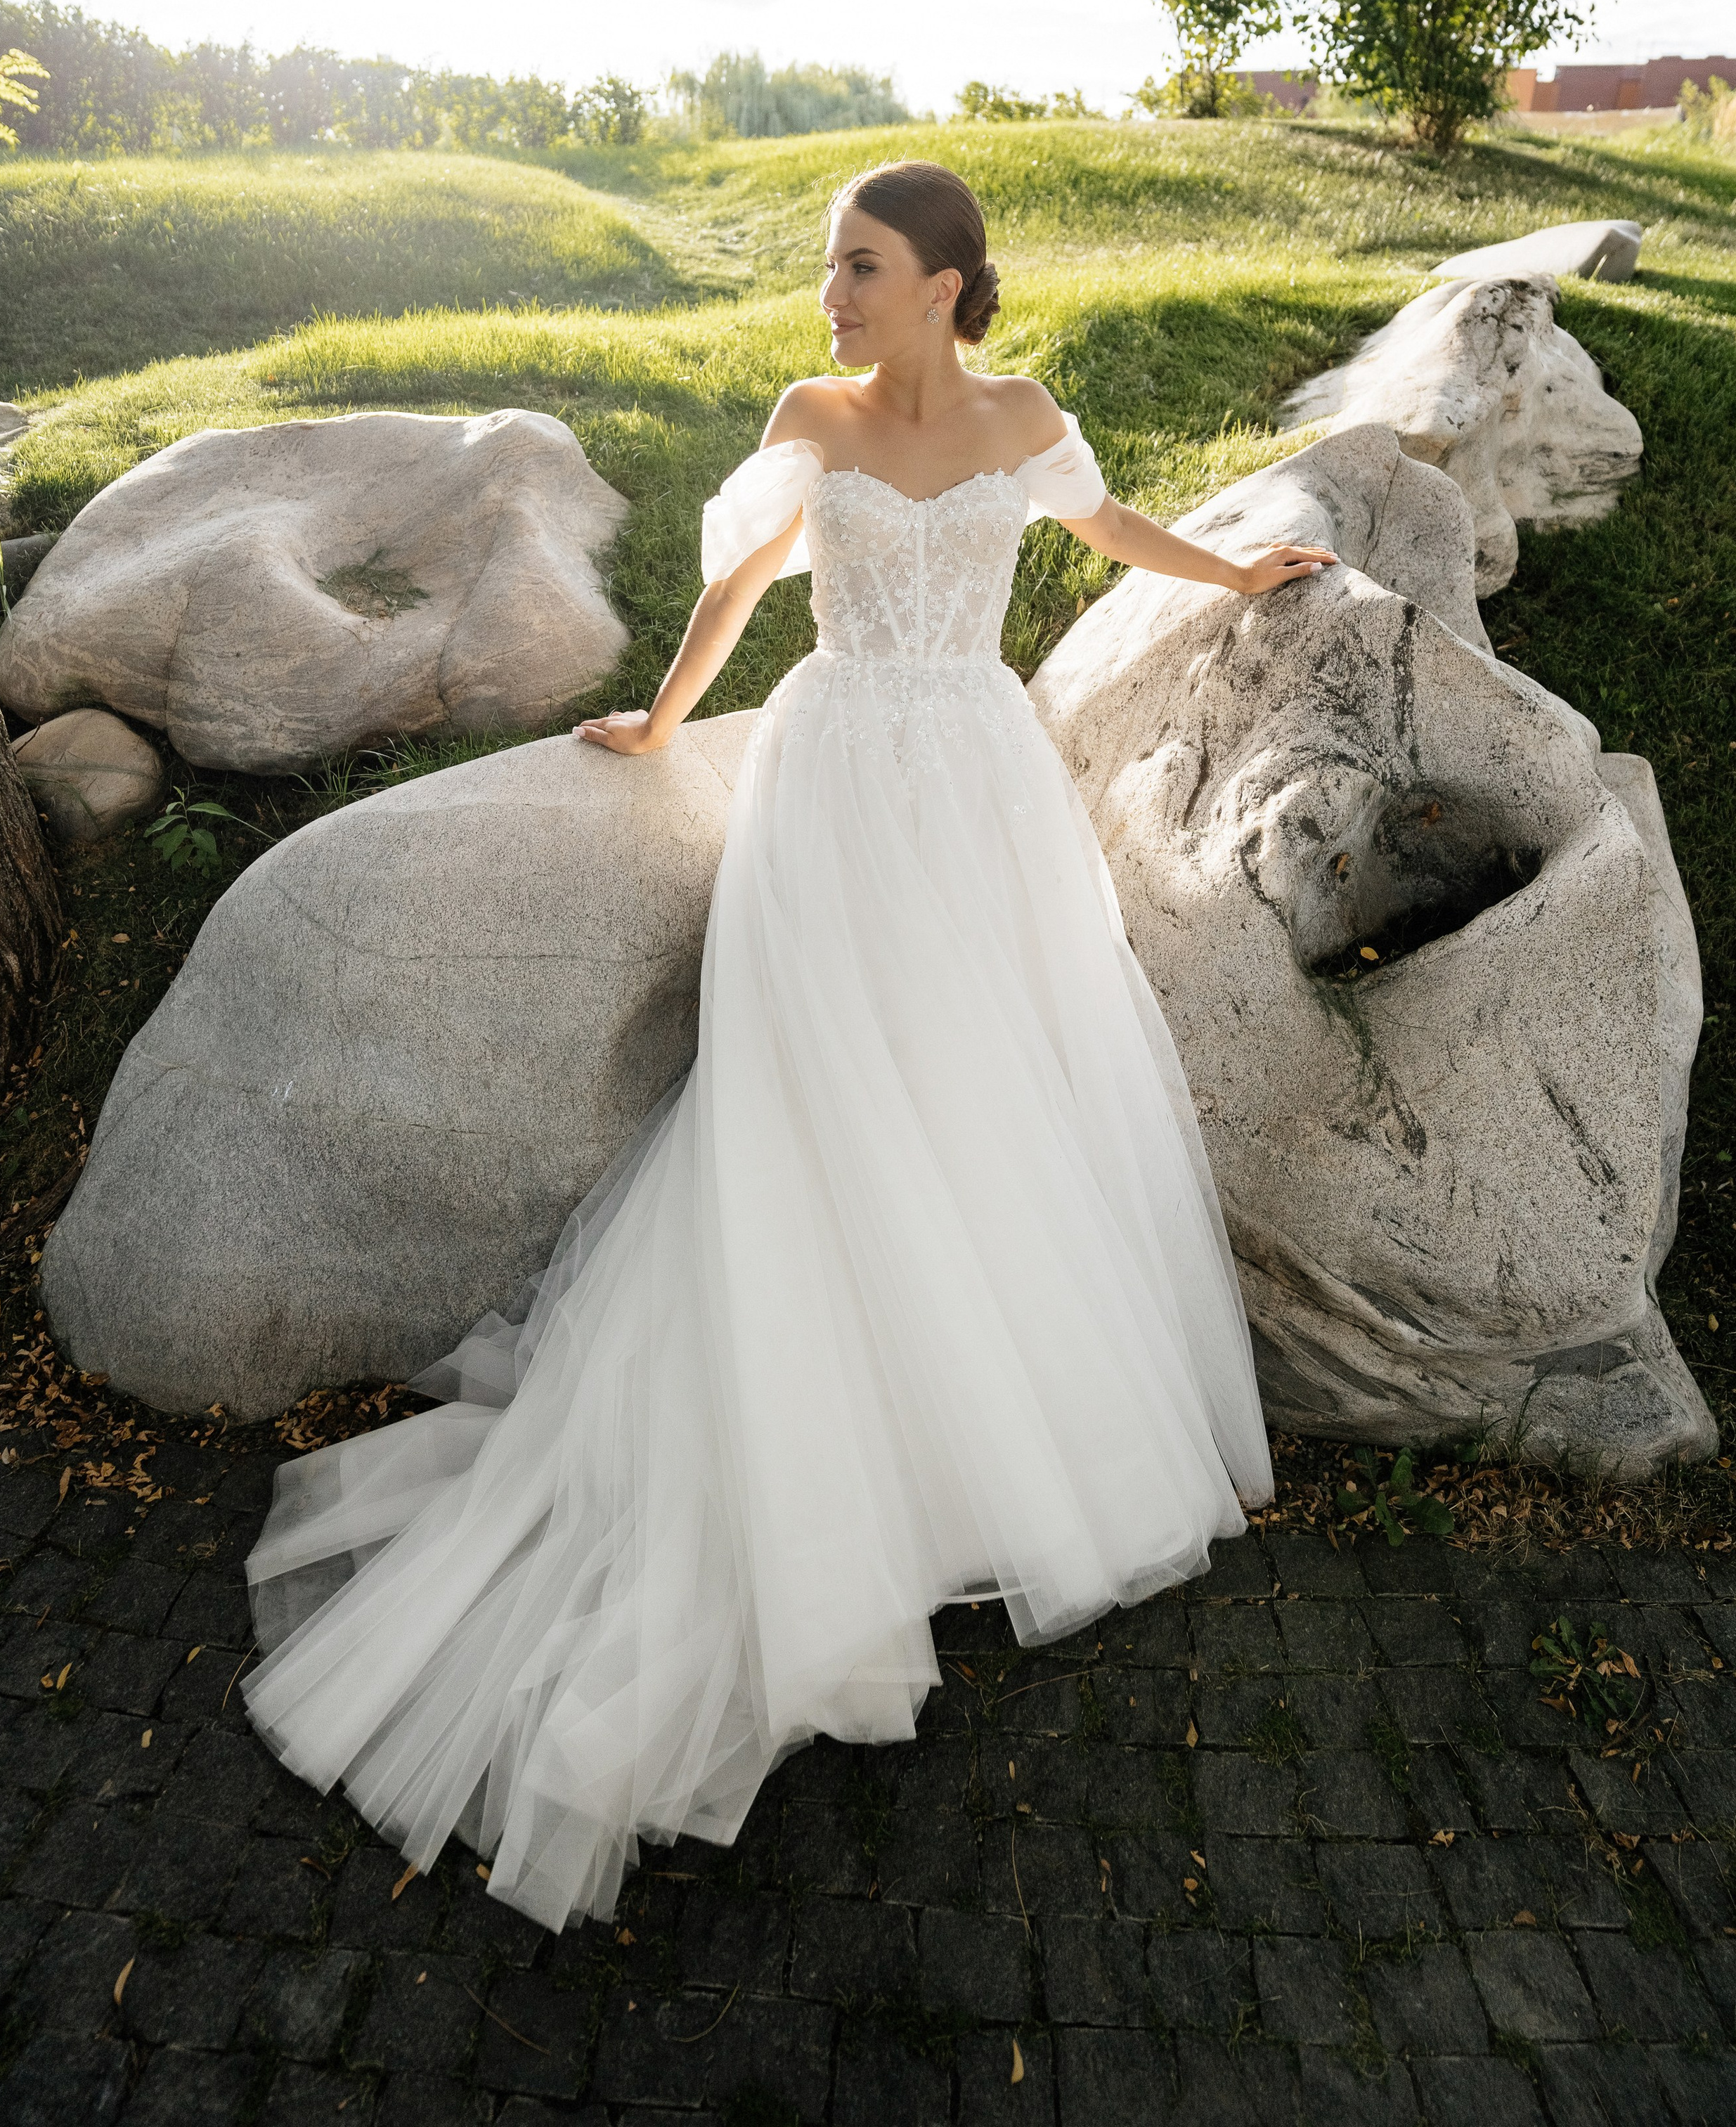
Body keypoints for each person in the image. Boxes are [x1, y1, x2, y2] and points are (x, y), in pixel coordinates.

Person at [242, 158, 1337, 1933]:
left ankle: (980, 1421)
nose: (829, 289)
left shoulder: (1023, 412)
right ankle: (830, 1430)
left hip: (973, 784)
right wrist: (664, 718)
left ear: (946, 285)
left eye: (860, 264)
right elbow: (746, 577)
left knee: (982, 1084)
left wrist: (1231, 566)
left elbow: (1102, 528)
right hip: (830, 782)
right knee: (823, 1104)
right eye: (832, 263)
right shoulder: (806, 412)